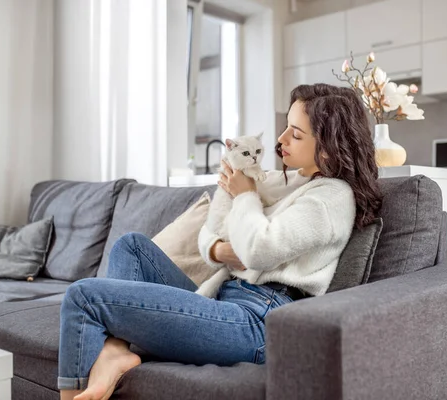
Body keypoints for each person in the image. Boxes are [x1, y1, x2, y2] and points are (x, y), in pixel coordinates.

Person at [58, 83, 383, 400]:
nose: (281, 140)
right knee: (131, 247)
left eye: (295, 134)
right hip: (225, 296)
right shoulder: (286, 179)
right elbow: (214, 232)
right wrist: (220, 247)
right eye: (286, 127)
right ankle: (115, 351)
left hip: (258, 321)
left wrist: (244, 195)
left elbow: (258, 249)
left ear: (327, 147)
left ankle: (90, 373)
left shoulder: (332, 197)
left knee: (83, 296)